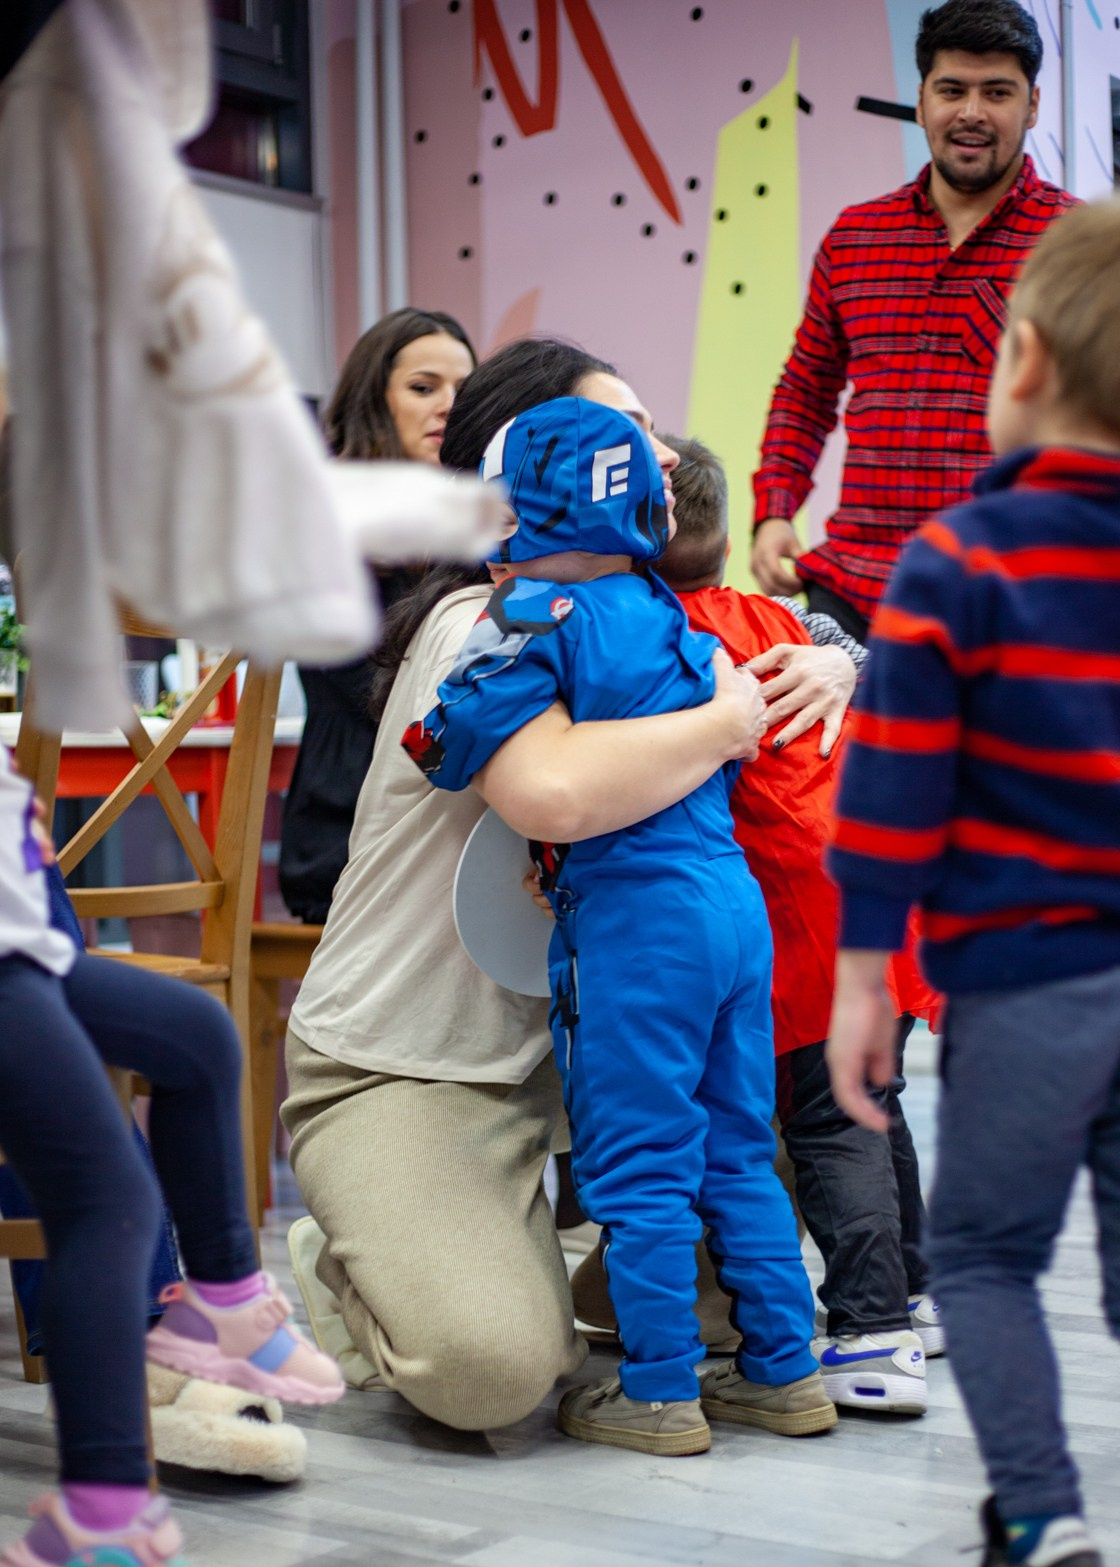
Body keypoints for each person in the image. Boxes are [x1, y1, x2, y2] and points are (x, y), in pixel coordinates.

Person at [281, 335, 863, 1433]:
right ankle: (367, 1255)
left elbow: (791, 630)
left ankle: (587, 1297)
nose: (658, 452)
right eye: (620, 431)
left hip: (591, 1021)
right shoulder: (487, 620)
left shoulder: (647, 610)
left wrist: (839, 656)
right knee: (494, 1373)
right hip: (419, 1056)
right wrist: (728, 719)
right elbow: (550, 792)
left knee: (733, 1194)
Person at [408, 394, 836, 1456]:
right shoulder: (669, 614)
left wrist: (446, 716)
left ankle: (657, 1390)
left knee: (642, 1166)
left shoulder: (533, 622)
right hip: (730, 907)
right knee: (737, 1147)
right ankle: (785, 1372)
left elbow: (448, 745)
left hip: (639, 927)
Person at [826, 201, 1120, 1567]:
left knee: (989, 1258)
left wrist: (864, 975)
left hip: (1027, 981)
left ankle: (1042, 1531)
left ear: (1026, 360)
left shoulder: (959, 559)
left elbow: (889, 792)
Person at [0, 746, 344, 1567]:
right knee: (108, 1197)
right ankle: (101, 1529)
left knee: (197, 1033)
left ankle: (220, 1307)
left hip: (23, 935)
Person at [652, 433, 939, 1413]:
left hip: (800, 918)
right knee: (873, 1101)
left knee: (826, 1122)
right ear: (729, 537)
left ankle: (872, 1336)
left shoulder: (656, 639)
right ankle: (916, 1297)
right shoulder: (790, 620)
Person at [751, 0, 1075, 639]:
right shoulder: (856, 236)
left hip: (1005, 592)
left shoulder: (1075, 246)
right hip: (852, 585)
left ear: (1033, 105)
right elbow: (806, 388)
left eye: (997, 92)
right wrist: (775, 509)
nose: (972, 112)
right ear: (922, 101)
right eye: (952, 90)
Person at [279, 307, 476, 923]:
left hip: (452, 825)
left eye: (464, 389)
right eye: (424, 387)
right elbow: (390, 695)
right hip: (354, 834)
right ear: (374, 402)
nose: (449, 406)